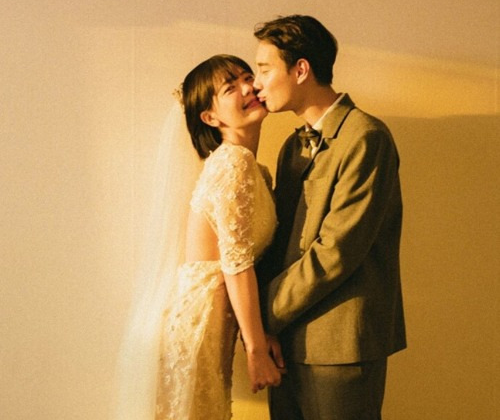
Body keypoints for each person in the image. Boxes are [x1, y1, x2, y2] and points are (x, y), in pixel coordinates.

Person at [253, 15, 407, 420]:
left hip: (340, 346)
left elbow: (336, 251)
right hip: (285, 343)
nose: (256, 84)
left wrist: (260, 313)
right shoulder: (292, 146)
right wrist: (265, 329)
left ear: (301, 69)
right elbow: (279, 239)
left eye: (264, 69)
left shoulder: (366, 137)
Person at [113, 54, 283, 420]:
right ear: (210, 117)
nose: (248, 87)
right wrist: (255, 349)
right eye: (230, 87)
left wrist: (258, 334)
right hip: (199, 324)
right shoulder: (233, 162)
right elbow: (236, 264)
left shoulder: (253, 168)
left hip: (214, 323)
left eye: (247, 77)